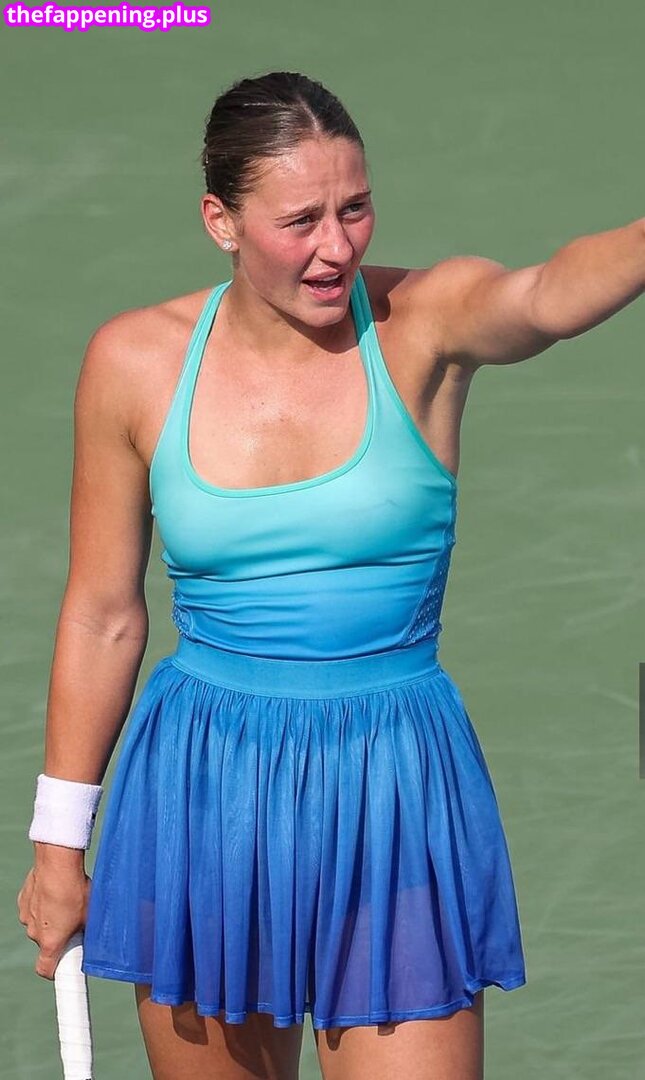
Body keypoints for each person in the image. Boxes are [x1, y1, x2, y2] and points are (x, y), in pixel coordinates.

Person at [16, 69, 645, 1080]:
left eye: (354, 208)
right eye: (301, 219)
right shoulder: (134, 361)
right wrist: (58, 846)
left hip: (394, 786)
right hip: (205, 792)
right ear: (221, 222)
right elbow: (102, 615)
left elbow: (548, 296)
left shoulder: (425, 322)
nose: (338, 246)